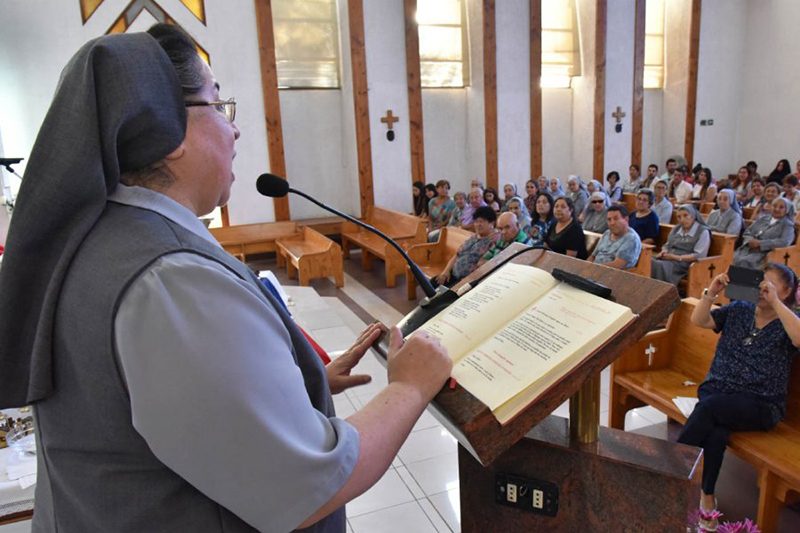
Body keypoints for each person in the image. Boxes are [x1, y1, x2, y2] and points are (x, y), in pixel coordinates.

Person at [0, 26, 454, 533]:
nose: (233, 129)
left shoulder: (104, 240)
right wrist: (410, 388)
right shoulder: (169, 280)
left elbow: (168, 409)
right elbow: (306, 490)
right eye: (218, 105)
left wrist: (295, 387)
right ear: (169, 131)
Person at [680, 266, 800, 531]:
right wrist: (711, 293)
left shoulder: (789, 320)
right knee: (717, 431)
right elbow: (699, 321)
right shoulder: (739, 309)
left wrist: (777, 303)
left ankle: (670, 471)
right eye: (760, 282)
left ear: (788, 291)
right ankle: (707, 497)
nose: (763, 289)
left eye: (770, 284)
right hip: (719, 392)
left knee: (710, 409)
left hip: (760, 404)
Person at [436, 206, 498, 287]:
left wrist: (466, 281)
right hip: (452, 274)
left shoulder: (493, 240)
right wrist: (445, 272)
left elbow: (483, 266)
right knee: (432, 284)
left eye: (481, 221)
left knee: (442, 296)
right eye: (476, 221)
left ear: (492, 223)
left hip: (466, 281)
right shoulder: (473, 237)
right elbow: (457, 254)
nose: (478, 224)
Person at [651, 204, 710, 285]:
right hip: (669, 258)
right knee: (647, 260)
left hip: (684, 264)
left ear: (693, 216)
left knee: (657, 265)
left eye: (685, 215)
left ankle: (661, 289)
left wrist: (676, 257)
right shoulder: (676, 229)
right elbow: (667, 245)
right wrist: (663, 252)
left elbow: (698, 255)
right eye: (679, 217)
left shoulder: (702, 232)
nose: (682, 220)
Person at [733, 197, 796, 269]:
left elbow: (784, 242)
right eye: (774, 206)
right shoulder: (763, 218)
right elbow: (748, 232)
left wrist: (760, 244)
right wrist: (749, 241)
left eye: (781, 207)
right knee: (732, 258)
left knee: (745, 261)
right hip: (748, 248)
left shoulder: (788, 225)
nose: (777, 209)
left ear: (786, 210)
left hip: (766, 253)